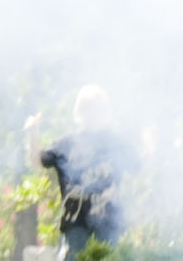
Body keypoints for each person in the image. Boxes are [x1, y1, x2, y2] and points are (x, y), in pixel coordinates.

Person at [38, 87, 129, 248]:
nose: (92, 114)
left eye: (96, 108)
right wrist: (32, 133)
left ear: (105, 112)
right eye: (87, 108)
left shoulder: (117, 143)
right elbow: (40, 160)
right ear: (79, 112)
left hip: (108, 224)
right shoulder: (67, 143)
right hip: (75, 224)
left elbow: (138, 164)